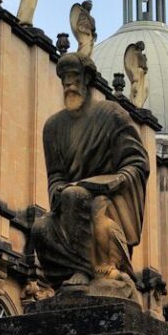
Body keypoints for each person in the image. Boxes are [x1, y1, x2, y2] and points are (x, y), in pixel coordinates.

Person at [32, 52, 149, 296]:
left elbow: (137, 162)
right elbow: (55, 177)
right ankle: (78, 271)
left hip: (107, 202)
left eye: (74, 77)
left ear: (87, 79)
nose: (69, 85)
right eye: (64, 79)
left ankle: (88, 272)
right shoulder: (53, 127)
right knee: (40, 228)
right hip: (68, 206)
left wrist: (115, 181)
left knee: (76, 195)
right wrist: (58, 192)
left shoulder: (112, 115)